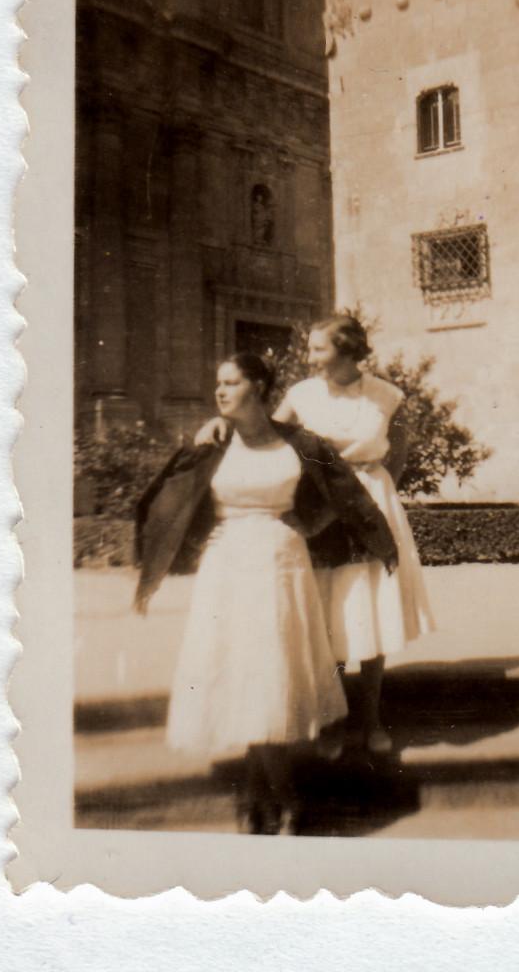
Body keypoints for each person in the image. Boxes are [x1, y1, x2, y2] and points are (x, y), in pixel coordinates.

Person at [135, 352, 397, 833]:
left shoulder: (298, 442)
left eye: (231, 382)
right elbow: (168, 502)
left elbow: (345, 493)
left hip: (281, 565)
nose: (220, 391)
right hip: (226, 570)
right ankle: (279, 796)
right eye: (219, 382)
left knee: (269, 673)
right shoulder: (213, 443)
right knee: (242, 675)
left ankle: (268, 797)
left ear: (257, 387)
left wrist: (313, 522)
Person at [196, 316, 435, 755]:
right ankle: (332, 720)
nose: (310, 357)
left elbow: (397, 458)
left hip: (369, 505)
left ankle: (372, 719)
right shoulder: (301, 395)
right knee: (328, 616)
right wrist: (220, 424)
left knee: (371, 613)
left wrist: (369, 501)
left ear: (346, 351)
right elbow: (262, 429)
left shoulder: (387, 396)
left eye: (319, 349)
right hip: (318, 507)